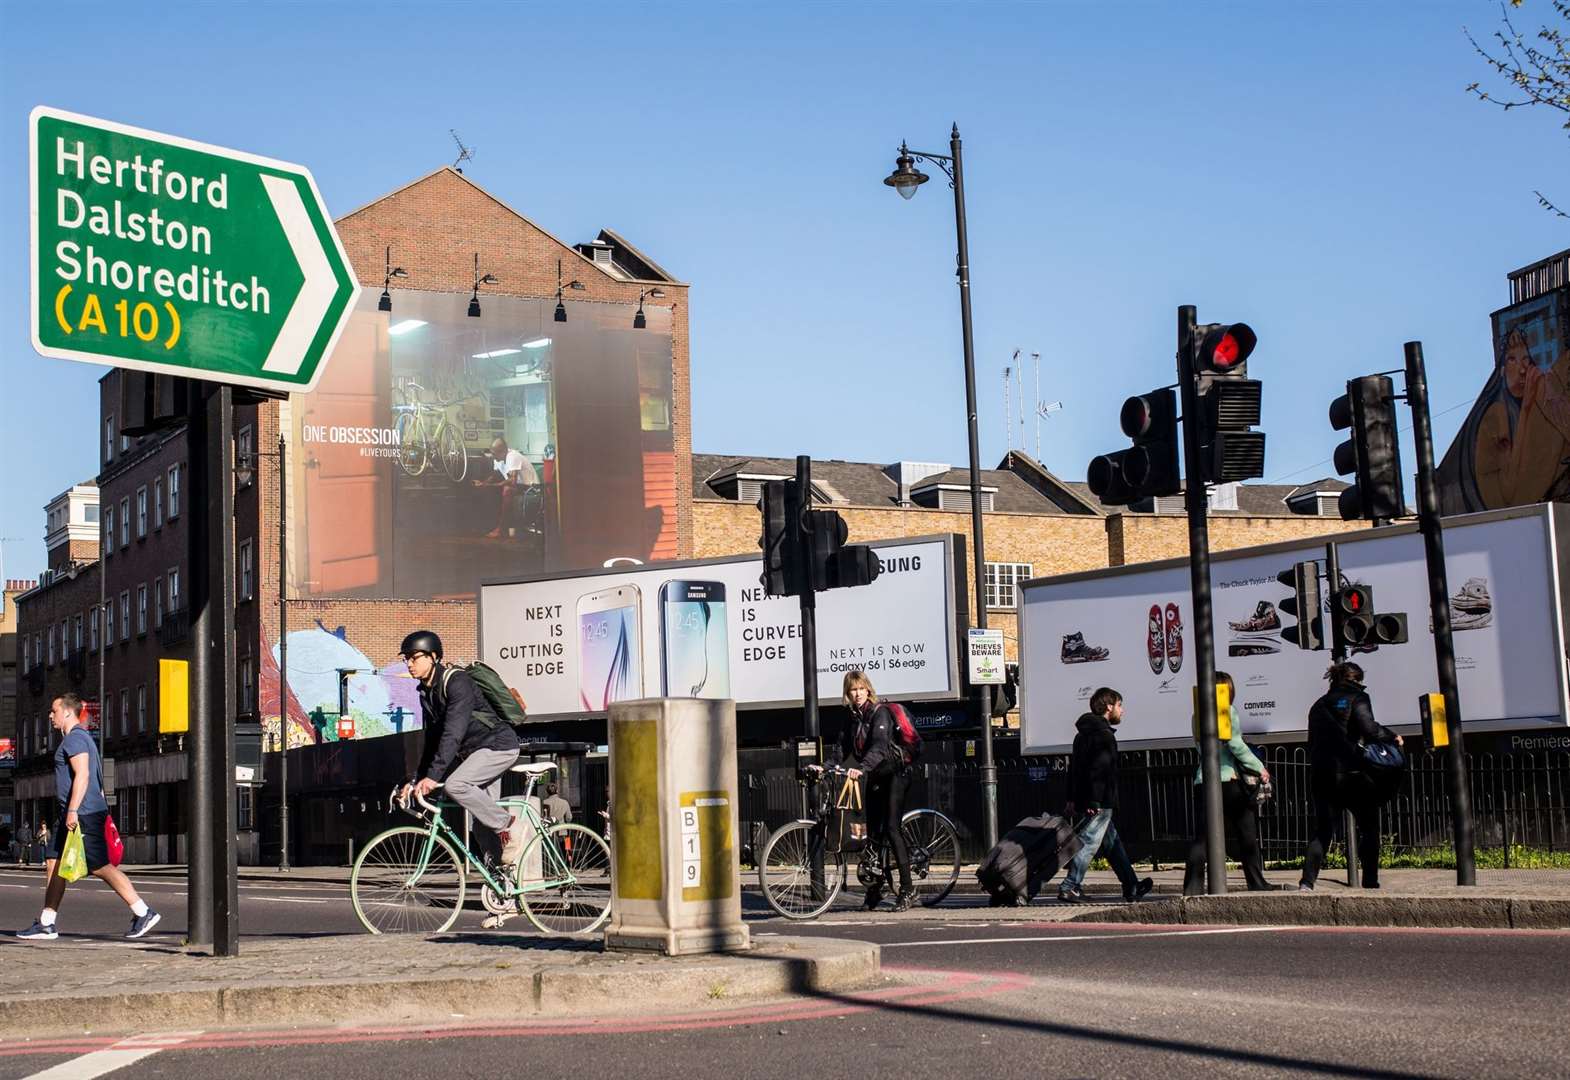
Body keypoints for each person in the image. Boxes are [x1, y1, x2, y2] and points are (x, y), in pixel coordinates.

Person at [16, 693, 160, 941]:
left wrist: (73, 810)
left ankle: (143, 911)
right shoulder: (78, 739)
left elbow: (82, 775)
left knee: (98, 865)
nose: (51, 716)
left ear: (68, 712)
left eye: (54, 711)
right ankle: (46, 923)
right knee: (54, 861)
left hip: (81, 813)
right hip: (73, 813)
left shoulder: (75, 739)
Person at [398, 630, 526, 867]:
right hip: (476, 754)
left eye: (414, 657)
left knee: (457, 785)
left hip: (498, 746)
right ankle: (504, 885)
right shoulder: (427, 692)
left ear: (433, 656)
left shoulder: (457, 682)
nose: (409, 664)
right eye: (406, 659)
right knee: (480, 823)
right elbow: (433, 739)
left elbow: (453, 733)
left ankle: (510, 825)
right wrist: (417, 778)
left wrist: (434, 777)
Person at [810, 670, 917, 912]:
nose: (857, 694)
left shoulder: (879, 713)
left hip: (895, 774)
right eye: (852, 690)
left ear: (868, 689)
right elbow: (840, 750)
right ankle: (876, 889)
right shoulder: (852, 718)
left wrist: (861, 768)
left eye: (860, 689)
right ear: (847, 694)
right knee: (871, 834)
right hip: (873, 776)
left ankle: (907, 889)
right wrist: (824, 767)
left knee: (891, 828)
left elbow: (879, 747)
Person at [1300, 661, 1403, 891]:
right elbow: (1369, 729)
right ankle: (1370, 881)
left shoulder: (1317, 706)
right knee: (1368, 828)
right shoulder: (1358, 698)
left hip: (1322, 775)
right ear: (1355, 679)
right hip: (1353, 775)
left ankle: (1307, 882)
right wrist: (1392, 736)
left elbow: (1312, 743)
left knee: (1323, 830)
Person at [1058, 687, 1153, 904]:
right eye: (1120, 705)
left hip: (1087, 797)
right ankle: (1070, 886)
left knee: (1112, 844)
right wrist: (1095, 801)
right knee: (1089, 841)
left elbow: (1074, 769)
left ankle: (1131, 885)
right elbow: (1098, 771)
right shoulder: (1104, 736)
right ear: (1109, 707)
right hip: (1099, 800)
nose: (1122, 710)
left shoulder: (1081, 735)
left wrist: (1072, 798)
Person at [1183, 671, 1271, 895]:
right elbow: (1236, 745)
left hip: (1204, 780)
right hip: (1228, 779)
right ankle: (1256, 882)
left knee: (1202, 837)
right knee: (1247, 834)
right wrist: (1259, 768)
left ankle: (1192, 887)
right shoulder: (1227, 711)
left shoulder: (1197, 715)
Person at [477, 438, 539, 540]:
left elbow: (512, 480)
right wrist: (483, 483)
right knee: (490, 490)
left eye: (494, 453)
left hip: (531, 488)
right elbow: (494, 475)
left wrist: (492, 485)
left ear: (502, 451)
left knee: (507, 490)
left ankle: (501, 529)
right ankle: (489, 526)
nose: (492, 456)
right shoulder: (498, 459)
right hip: (519, 487)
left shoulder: (512, 456)